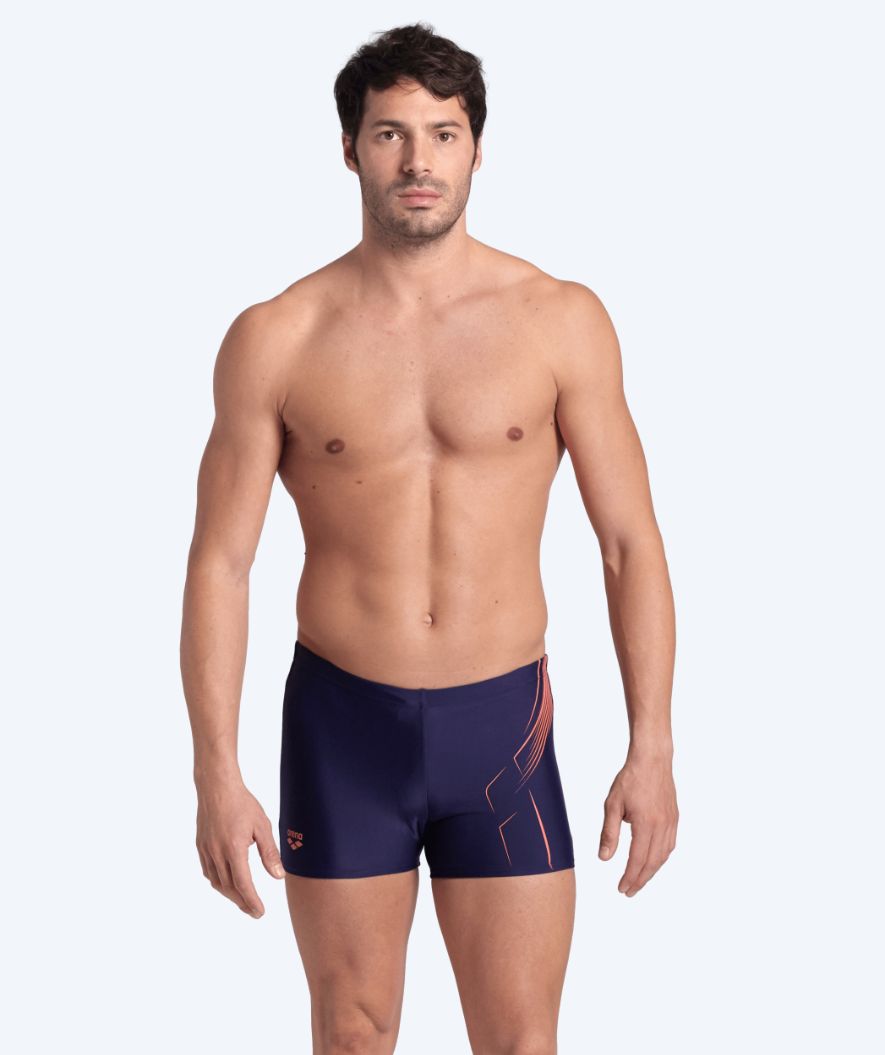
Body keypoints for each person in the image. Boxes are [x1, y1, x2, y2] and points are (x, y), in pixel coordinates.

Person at [180, 20, 678, 1055]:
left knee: (520, 1040)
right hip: (342, 725)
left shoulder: (558, 319)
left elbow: (628, 542)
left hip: (502, 727)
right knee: (352, 1034)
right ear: (349, 148)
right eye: (390, 134)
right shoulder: (277, 335)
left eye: (443, 135)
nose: (418, 161)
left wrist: (654, 745)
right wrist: (214, 771)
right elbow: (221, 564)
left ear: (477, 150)